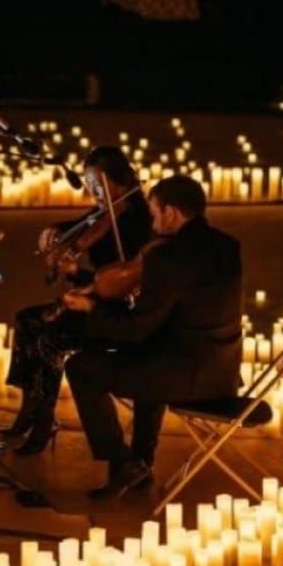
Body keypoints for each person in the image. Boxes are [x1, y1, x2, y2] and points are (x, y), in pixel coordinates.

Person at [61, 174, 242, 498]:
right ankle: (141, 463)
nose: (153, 221)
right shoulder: (228, 245)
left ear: (171, 213)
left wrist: (92, 308)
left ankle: (125, 464)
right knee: (149, 358)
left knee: (81, 367)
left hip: (187, 378)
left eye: (155, 212)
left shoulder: (167, 257)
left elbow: (135, 329)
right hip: (222, 373)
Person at [3, 146, 153, 455]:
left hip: (117, 313)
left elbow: (118, 283)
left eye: (98, 184)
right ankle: (29, 409)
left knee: (50, 337)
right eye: (90, 184)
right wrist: (54, 231)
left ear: (120, 182)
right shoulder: (106, 212)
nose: (93, 192)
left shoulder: (137, 222)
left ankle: (44, 420)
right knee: (26, 320)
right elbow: (81, 224)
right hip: (97, 299)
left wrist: (75, 273)